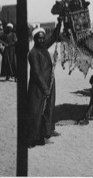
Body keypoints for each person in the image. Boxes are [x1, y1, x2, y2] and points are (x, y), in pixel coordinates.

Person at [27, 18, 62, 147]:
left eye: (43, 38)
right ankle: (33, 138)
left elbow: (53, 38)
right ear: (35, 39)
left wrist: (60, 23)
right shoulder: (33, 53)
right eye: (39, 38)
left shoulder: (43, 47)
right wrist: (45, 88)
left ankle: (47, 132)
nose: (41, 40)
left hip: (49, 83)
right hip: (38, 87)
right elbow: (36, 73)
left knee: (49, 108)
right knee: (36, 111)